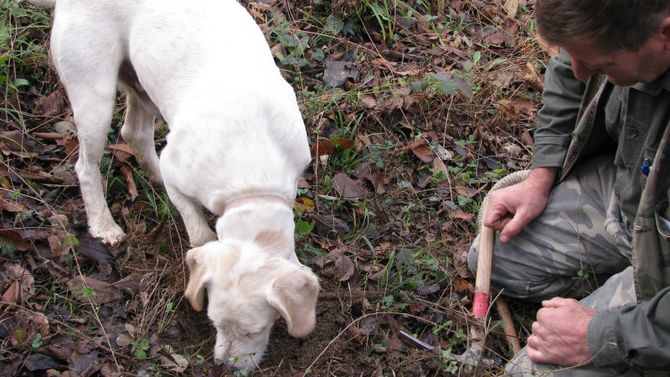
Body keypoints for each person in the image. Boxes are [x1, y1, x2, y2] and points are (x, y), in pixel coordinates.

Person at [467, 1, 670, 375]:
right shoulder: (616, 33)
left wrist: (603, 334)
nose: (579, 72)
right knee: (493, 256)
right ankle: (623, 280)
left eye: (599, 65)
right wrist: (541, 176)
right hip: (632, 193)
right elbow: (569, 67)